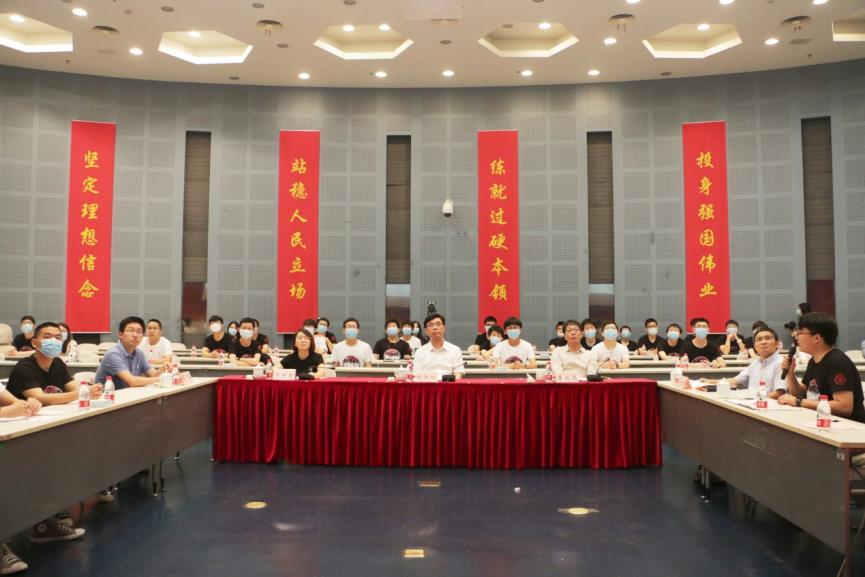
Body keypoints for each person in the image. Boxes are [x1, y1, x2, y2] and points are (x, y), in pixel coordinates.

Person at [777, 313, 865, 422]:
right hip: (823, 421)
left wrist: (798, 401)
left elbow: (844, 407)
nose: (796, 336)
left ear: (817, 338)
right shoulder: (814, 360)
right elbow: (800, 393)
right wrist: (790, 374)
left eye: (800, 333)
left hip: (848, 426)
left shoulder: (837, 362)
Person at [7, 322, 101, 405]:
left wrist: (91, 389)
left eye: (58, 338)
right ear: (35, 343)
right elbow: (40, 398)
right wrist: (83, 393)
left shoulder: (58, 363)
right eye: (47, 337)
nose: (54, 341)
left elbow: (73, 388)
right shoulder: (23, 368)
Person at [707, 327, 785, 398]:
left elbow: (779, 393)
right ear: (755, 346)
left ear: (776, 343)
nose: (763, 342)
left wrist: (758, 399)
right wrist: (711, 382)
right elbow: (735, 380)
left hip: (767, 405)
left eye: (768, 338)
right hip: (751, 403)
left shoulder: (781, 363)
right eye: (759, 339)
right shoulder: (755, 363)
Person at [95, 316, 166, 388]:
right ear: (120, 334)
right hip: (107, 394)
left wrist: (164, 369)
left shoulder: (139, 353)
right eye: (131, 331)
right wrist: (160, 379)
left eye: (139, 332)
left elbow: (153, 375)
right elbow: (132, 382)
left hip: (128, 393)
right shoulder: (113, 354)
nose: (135, 335)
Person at [411, 313, 465, 377]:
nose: (435, 327)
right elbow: (418, 376)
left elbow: (458, 374)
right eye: (431, 325)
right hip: (427, 383)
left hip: (449, 383)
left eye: (438, 324)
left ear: (444, 328)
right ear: (426, 331)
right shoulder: (420, 352)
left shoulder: (455, 350)